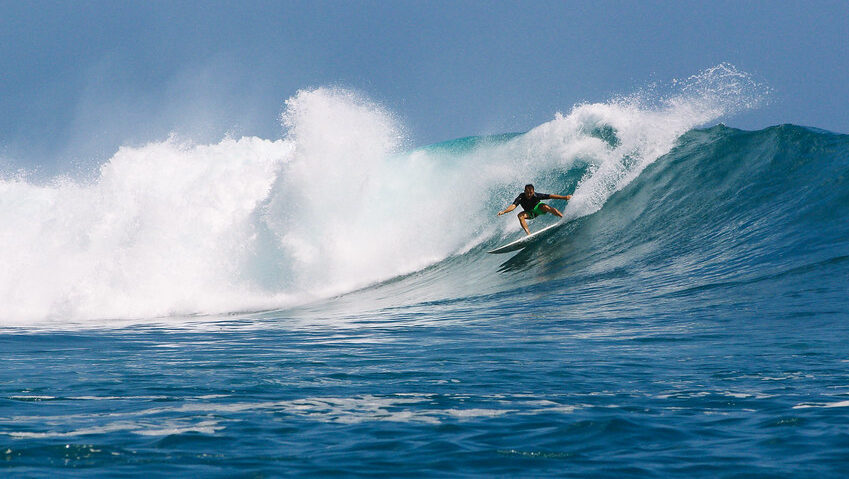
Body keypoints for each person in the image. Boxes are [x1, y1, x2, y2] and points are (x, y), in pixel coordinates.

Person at [497, 184, 572, 235]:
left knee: (546, 207)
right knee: (520, 215)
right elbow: (513, 206)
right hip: (530, 213)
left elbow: (551, 196)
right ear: (524, 191)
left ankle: (563, 217)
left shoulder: (536, 195)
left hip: (538, 209)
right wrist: (504, 211)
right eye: (527, 193)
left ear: (533, 191)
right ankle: (529, 234)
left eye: (531, 193)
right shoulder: (521, 197)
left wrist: (564, 197)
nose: (529, 194)